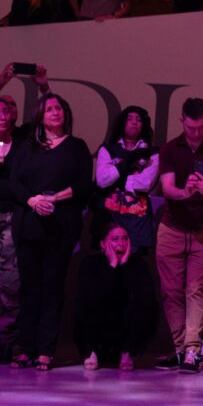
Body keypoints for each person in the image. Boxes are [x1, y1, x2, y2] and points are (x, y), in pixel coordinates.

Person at [10, 93, 92, 371]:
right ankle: (25, 347)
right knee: (30, 288)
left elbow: (84, 185)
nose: (55, 113)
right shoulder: (27, 146)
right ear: (40, 116)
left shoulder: (76, 147)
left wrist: (56, 198)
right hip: (29, 224)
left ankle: (45, 350)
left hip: (60, 227)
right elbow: (13, 181)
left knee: (52, 288)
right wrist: (32, 200)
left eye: (59, 108)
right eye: (49, 110)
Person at [155, 98, 203, 373]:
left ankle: (192, 350)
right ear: (182, 122)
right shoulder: (170, 150)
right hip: (172, 227)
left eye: (200, 127)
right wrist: (185, 192)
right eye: (191, 127)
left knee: (195, 290)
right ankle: (178, 348)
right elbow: (167, 189)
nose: (196, 133)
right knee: (171, 291)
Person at [74, 224, 157, 371]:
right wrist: (112, 265)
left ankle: (127, 352)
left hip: (124, 325)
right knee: (86, 304)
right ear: (103, 244)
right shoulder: (90, 263)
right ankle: (90, 351)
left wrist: (124, 265)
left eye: (125, 239)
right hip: (98, 322)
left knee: (145, 305)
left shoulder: (138, 264)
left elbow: (145, 298)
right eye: (115, 239)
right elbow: (91, 298)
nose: (121, 244)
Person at [94, 106, 159, 254]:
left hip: (138, 224)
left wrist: (118, 172)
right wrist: (129, 164)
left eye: (139, 119)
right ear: (122, 123)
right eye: (129, 119)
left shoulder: (153, 152)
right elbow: (102, 180)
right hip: (109, 220)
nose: (134, 122)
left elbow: (145, 183)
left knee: (133, 270)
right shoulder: (108, 149)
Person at [0, 95, 22, 363]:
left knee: (9, 280)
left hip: (10, 215)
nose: (2, 117)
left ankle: (5, 342)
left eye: (6, 113)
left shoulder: (22, 144)